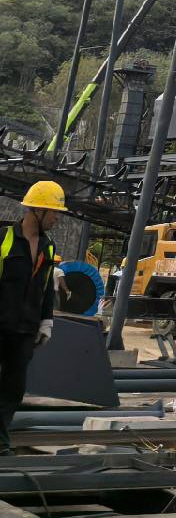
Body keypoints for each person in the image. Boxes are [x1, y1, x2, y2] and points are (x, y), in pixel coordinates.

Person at [0, 182, 64, 454]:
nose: (56, 218)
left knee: (13, 390)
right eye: (53, 212)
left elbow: (46, 286)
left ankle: (1, 444)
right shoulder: (3, 239)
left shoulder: (48, 248)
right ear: (37, 210)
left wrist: (46, 321)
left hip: (25, 331)